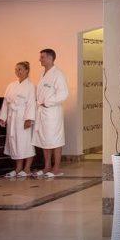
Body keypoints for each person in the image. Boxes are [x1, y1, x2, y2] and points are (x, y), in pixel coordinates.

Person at [32, 48, 68, 177]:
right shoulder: (43, 73)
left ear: (50, 58)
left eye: (42, 57)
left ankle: (56, 168)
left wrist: (47, 102)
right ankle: (47, 167)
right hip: (42, 112)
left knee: (56, 140)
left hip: (52, 112)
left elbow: (63, 94)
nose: (40, 59)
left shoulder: (58, 74)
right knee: (44, 139)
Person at [0, 61, 36, 178]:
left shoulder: (30, 86)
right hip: (12, 118)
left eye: (20, 69)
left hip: (23, 117)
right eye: (16, 69)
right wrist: (3, 117)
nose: (17, 72)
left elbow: (31, 104)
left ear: (27, 70)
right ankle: (18, 168)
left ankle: (27, 168)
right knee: (15, 142)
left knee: (26, 142)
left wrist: (29, 119)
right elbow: (6, 103)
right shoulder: (11, 85)